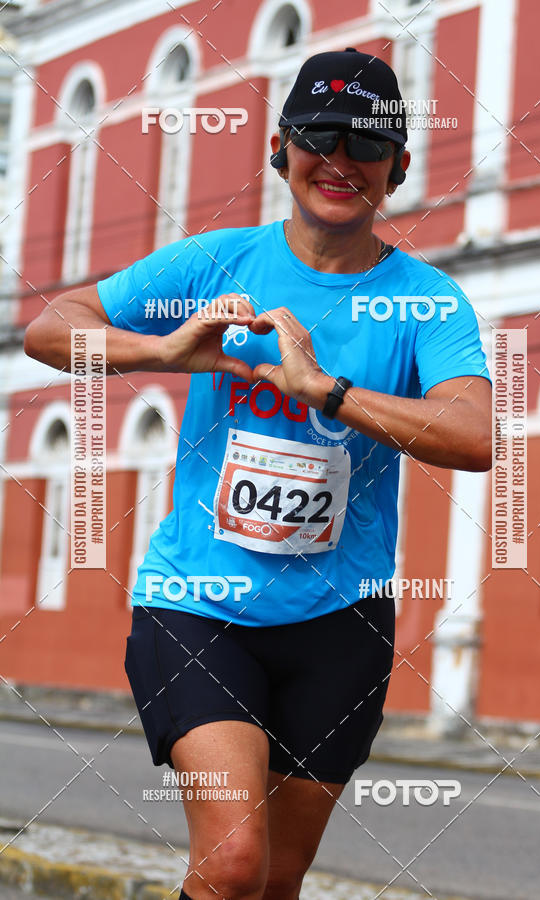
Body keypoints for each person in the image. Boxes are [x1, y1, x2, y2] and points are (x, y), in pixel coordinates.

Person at [25, 47, 491, 900]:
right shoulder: (214, 265)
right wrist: (162, 350)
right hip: (199, 610)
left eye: (367, 144)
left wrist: (330, 391)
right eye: (319, 137)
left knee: (276, 880)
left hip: (339, 622)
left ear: (399, 168)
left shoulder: (427, 301)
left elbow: (474, 434)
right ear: (281, 149)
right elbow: (52, 328)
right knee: (233, 861)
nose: (340, 162)